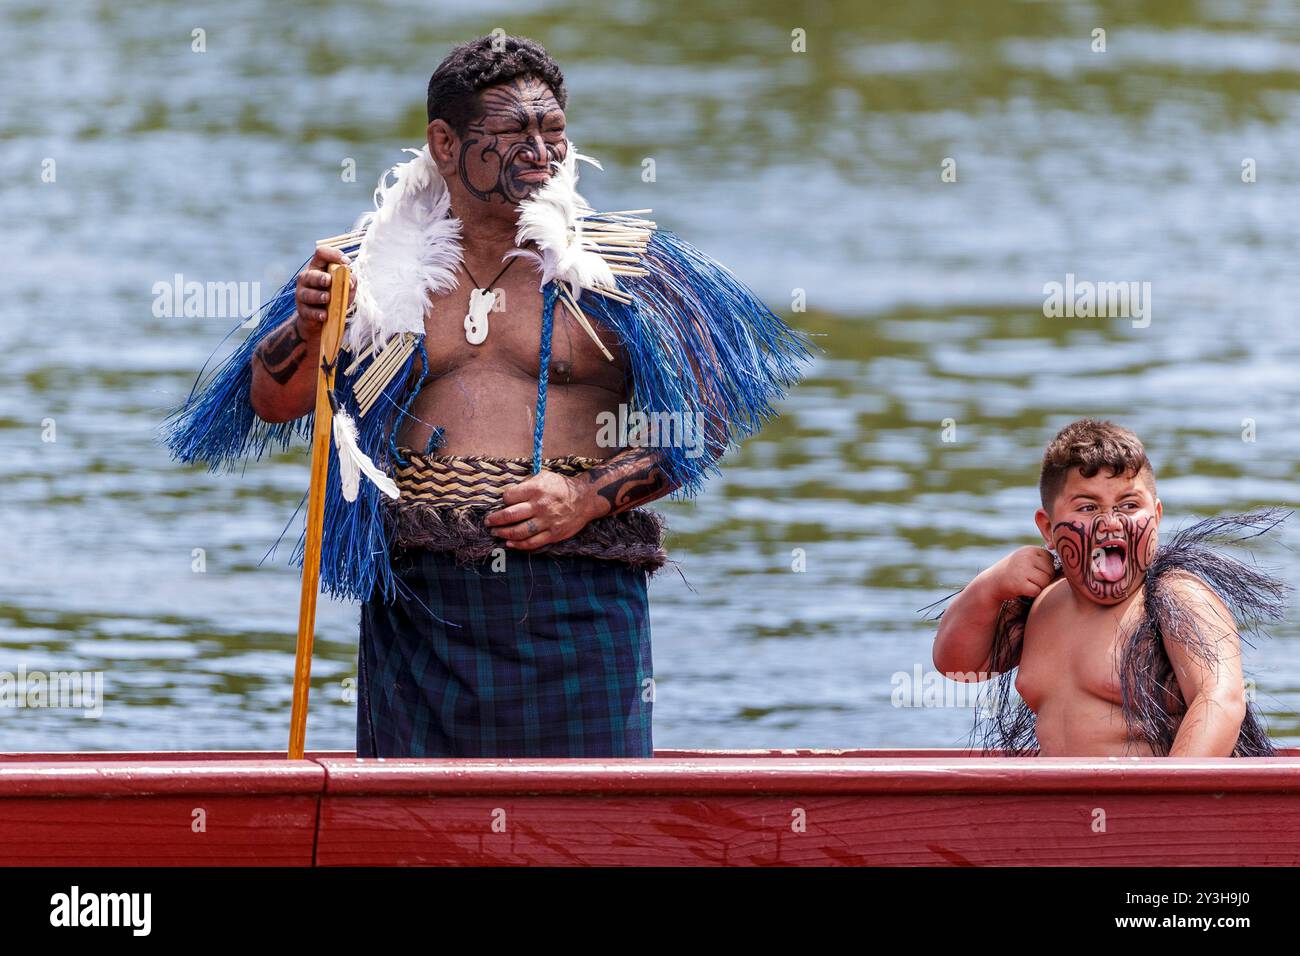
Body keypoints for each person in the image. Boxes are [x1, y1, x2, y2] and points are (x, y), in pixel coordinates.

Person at [161, 35, 811, 758]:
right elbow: (273, 403)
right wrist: (307, 326)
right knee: (411, 834)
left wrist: (588, 498)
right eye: (511, 134)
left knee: (582, 833)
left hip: (578, 591)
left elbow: (700, 427)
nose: (541, 151)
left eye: (553, 129)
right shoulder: (362, 271)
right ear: (444, 143)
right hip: (421, 600)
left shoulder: (624, 271)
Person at [932, 419, 1284, 757]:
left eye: (1129, 505)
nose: (1110, 523)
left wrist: (1166, 798)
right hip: (1062, 808)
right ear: (1048, 528)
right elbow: (958, 664)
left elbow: (1220, 699)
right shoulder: (1041, 601)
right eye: (1087, 507)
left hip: (1146, 808)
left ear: (1156, 517)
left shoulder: (1175, 597)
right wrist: (989, 586)